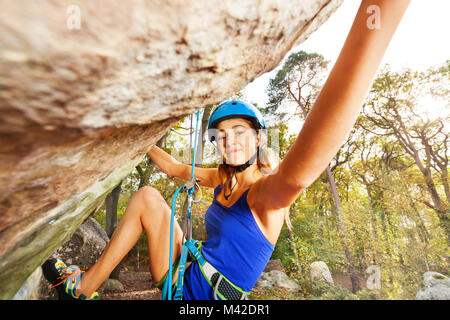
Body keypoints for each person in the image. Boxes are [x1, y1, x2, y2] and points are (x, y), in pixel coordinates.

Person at [42, 0, 410, 300]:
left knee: (145, 199)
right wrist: (134, 141)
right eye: (221, 134)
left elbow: (299, 174)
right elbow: (172, 168)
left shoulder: (267, 194)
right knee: (148, 196)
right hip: (192, 267)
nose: (230, 139)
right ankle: (84, 287)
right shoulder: (221, 177)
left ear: (258, 139)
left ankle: (82, 288)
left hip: (202, 294)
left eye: (240, 132)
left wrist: (376, 22)